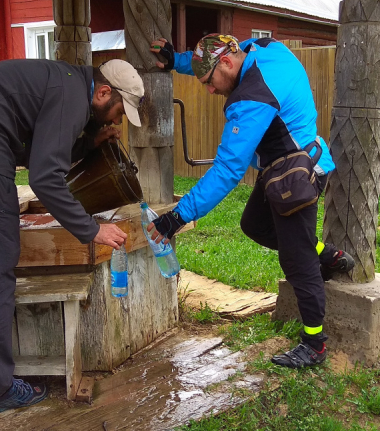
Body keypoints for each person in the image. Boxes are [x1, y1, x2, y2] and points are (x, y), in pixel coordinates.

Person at [0, 59, 142, 414]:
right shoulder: (72, 96)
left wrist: (87, 143)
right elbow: (44, 177)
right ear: (103, 92)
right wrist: (91, 229)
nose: (116, 121)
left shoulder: (61, 80)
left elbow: (36, 146)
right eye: (118, 111)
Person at [146, 35, 354, 368]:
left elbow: (228, 170)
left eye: (209, 82)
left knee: (296, 260)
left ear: (227, 63)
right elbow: (216, 52)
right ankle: (326, 255)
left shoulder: (252, 99)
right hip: (285, 163)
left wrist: (177, 217)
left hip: (296, 175)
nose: (210, 91)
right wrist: (177, 61)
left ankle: (314, 344)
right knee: (254, 224)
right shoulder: (266, 47)